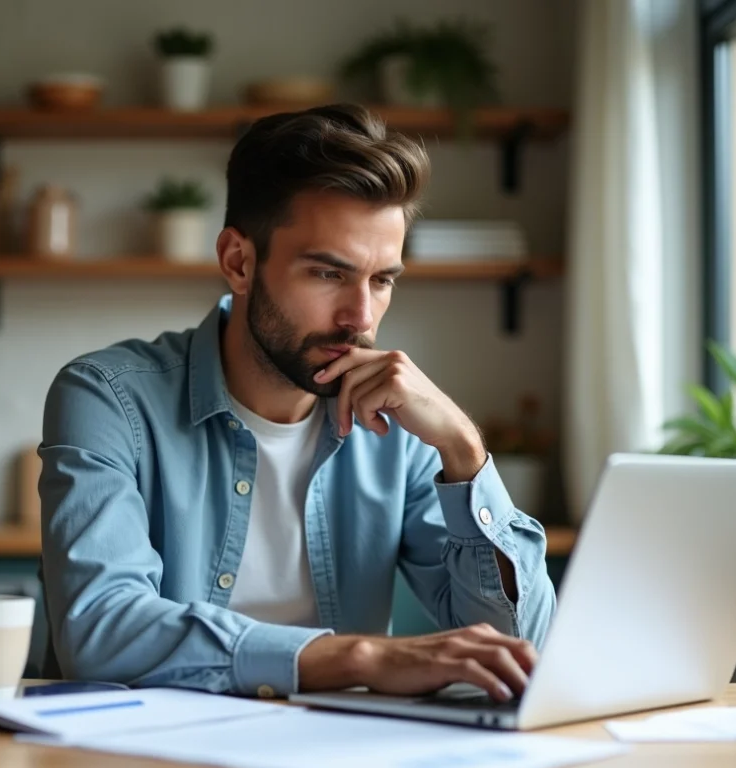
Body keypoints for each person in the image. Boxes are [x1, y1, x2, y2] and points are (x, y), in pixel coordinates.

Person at [38, 103, 555, 702]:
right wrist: (360, 656)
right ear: (238, 262)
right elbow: (100, 629)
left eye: (382, 279)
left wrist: (465, 453)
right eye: (327, 274)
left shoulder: (402, 428)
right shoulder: (108, 398)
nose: (361, 316)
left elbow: (518, 648)